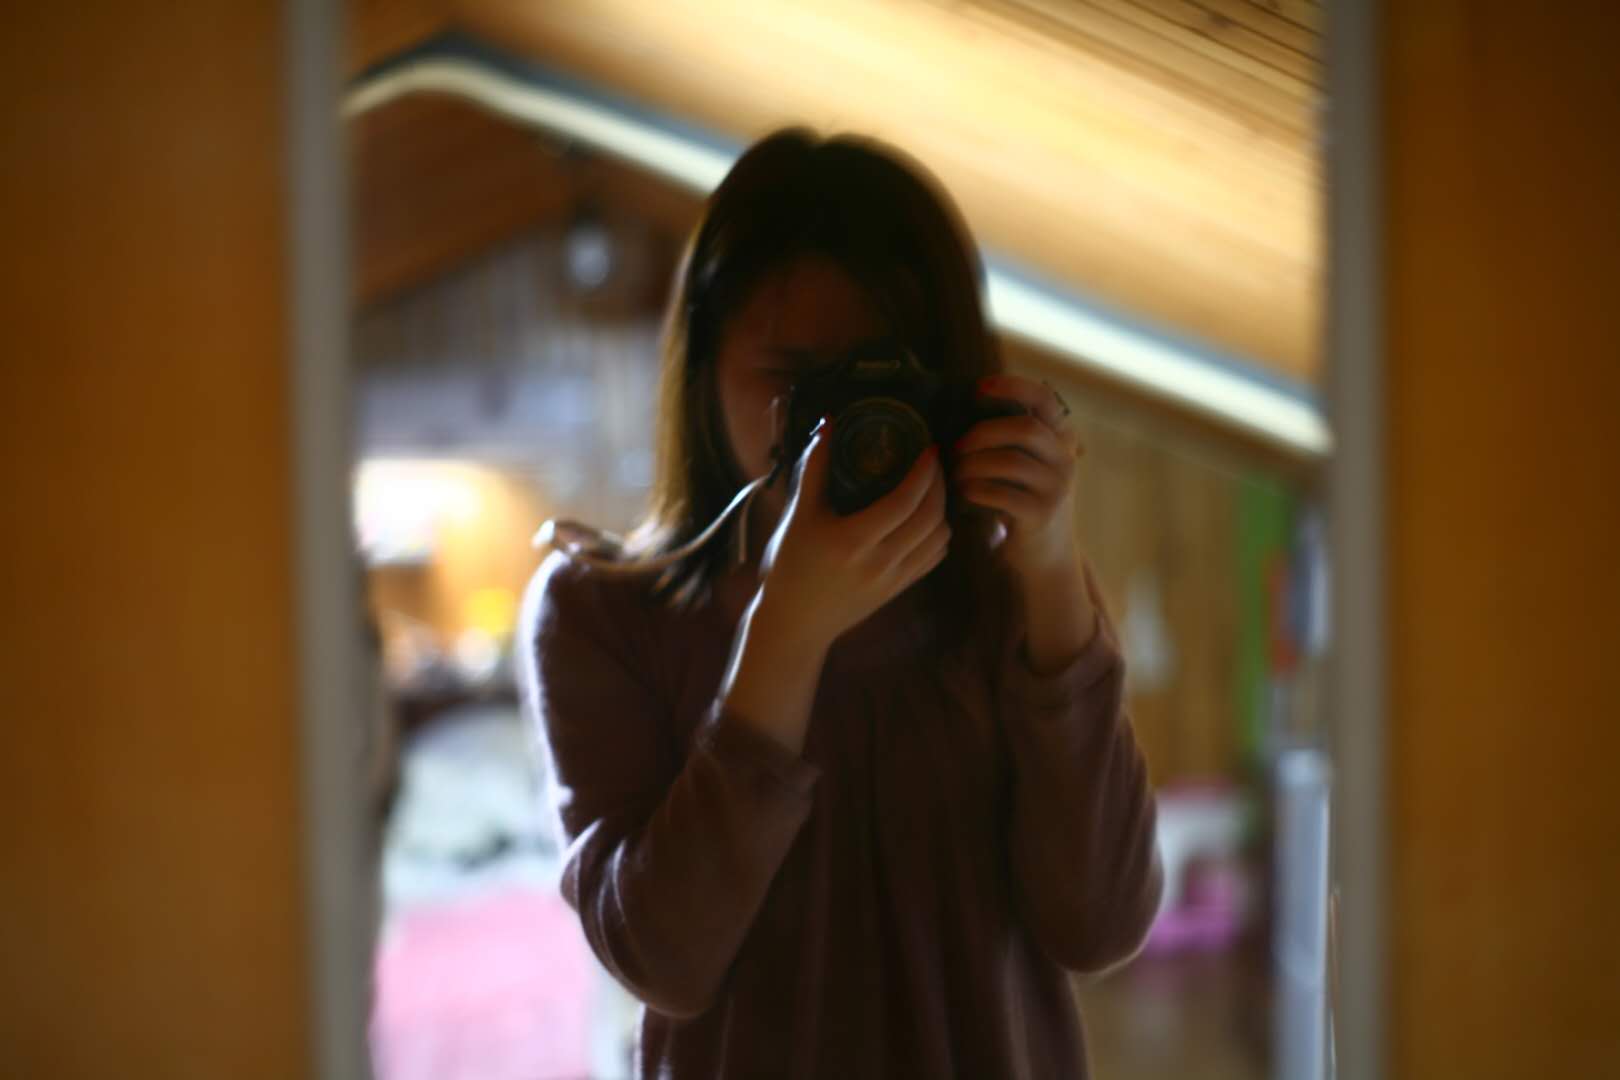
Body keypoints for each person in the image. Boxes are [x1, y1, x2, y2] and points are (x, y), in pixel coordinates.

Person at [518, 128, 1162, 1079]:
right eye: (796, 381)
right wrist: (788, 630)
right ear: (702, 369)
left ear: (954, 377)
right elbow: (661, 958)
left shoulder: (1004, 593)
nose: (840, 422)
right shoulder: (603, 612)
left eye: (882, 377)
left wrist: (1053, 572)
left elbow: (1102, 925)